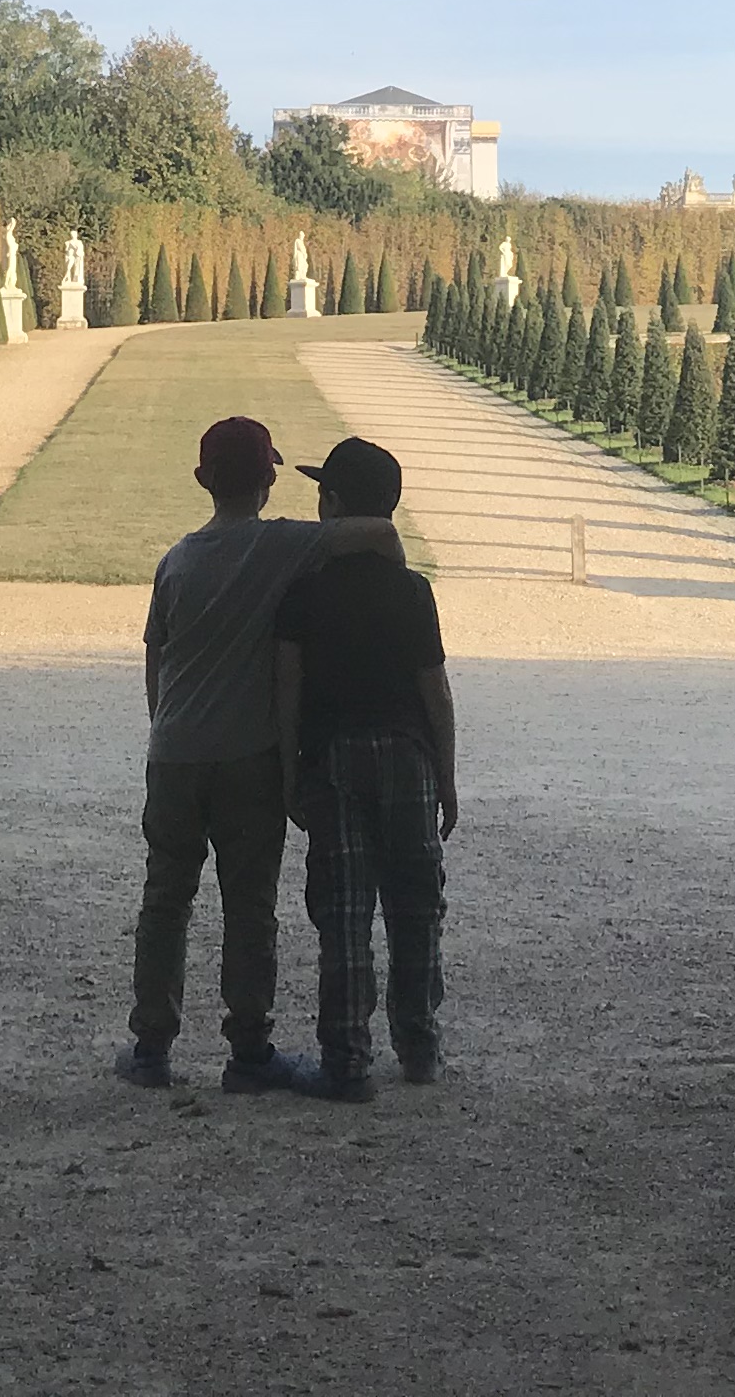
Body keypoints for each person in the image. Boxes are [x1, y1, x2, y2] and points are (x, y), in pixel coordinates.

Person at [119, 416, 400, 1094]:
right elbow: (382, 533)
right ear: (271, 481)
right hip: (248, 755)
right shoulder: (281, 548)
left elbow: (155, 662)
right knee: (249, 907)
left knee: (166, 899)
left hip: (177, 752)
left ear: (201, 480)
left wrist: (168, 731)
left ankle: (151, 1046)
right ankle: (249, 1051)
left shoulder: (176, 562)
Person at [273, 435, 456, 1097]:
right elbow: (435, 691)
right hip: (407, 756)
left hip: (335, 756)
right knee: (416, 906)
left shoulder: (304, 591)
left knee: (345, 912)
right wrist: (449, 777)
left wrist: (291, 772)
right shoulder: (413, 591)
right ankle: (419, 1045)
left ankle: (347, 1057)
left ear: (335, 504)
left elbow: (287, 690)